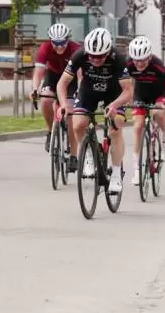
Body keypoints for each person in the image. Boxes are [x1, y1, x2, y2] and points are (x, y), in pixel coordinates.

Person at [57, 27, 132, 194]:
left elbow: (128, 91)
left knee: (115, 129)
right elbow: (62, 83)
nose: (95, 60)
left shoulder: (118, 58)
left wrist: (114, 105)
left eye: (100, 56)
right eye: (92, 56)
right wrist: (63, 104)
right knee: (78, 125)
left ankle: (116, 174)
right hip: (88, 90)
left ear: (108, 52)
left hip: (113, 93)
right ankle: (89, 156)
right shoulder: (79, 55)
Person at [125, 36, 165, 184]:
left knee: (158, 113)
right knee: (137, 127)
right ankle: (137, 170)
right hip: (141, 94)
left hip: (159, 93)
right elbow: (123, 85)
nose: (138, 63)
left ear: (149, 57)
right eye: (136, 60)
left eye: (142, 60)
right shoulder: (128, 64)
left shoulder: (158, 65)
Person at [30, 23, 80, 172]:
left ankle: (73, 156)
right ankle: (50, 131)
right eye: (55, 43)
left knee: (70, 116)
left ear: (67, 40)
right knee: (45, 99)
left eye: (62, 43)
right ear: (51, 41)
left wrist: (80, 91)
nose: (59, 47)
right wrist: (35, 88)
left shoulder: (75, 49)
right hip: (52, 76)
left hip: (71, 79)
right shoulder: (45, 48)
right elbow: (39, 72)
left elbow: (80, 75)